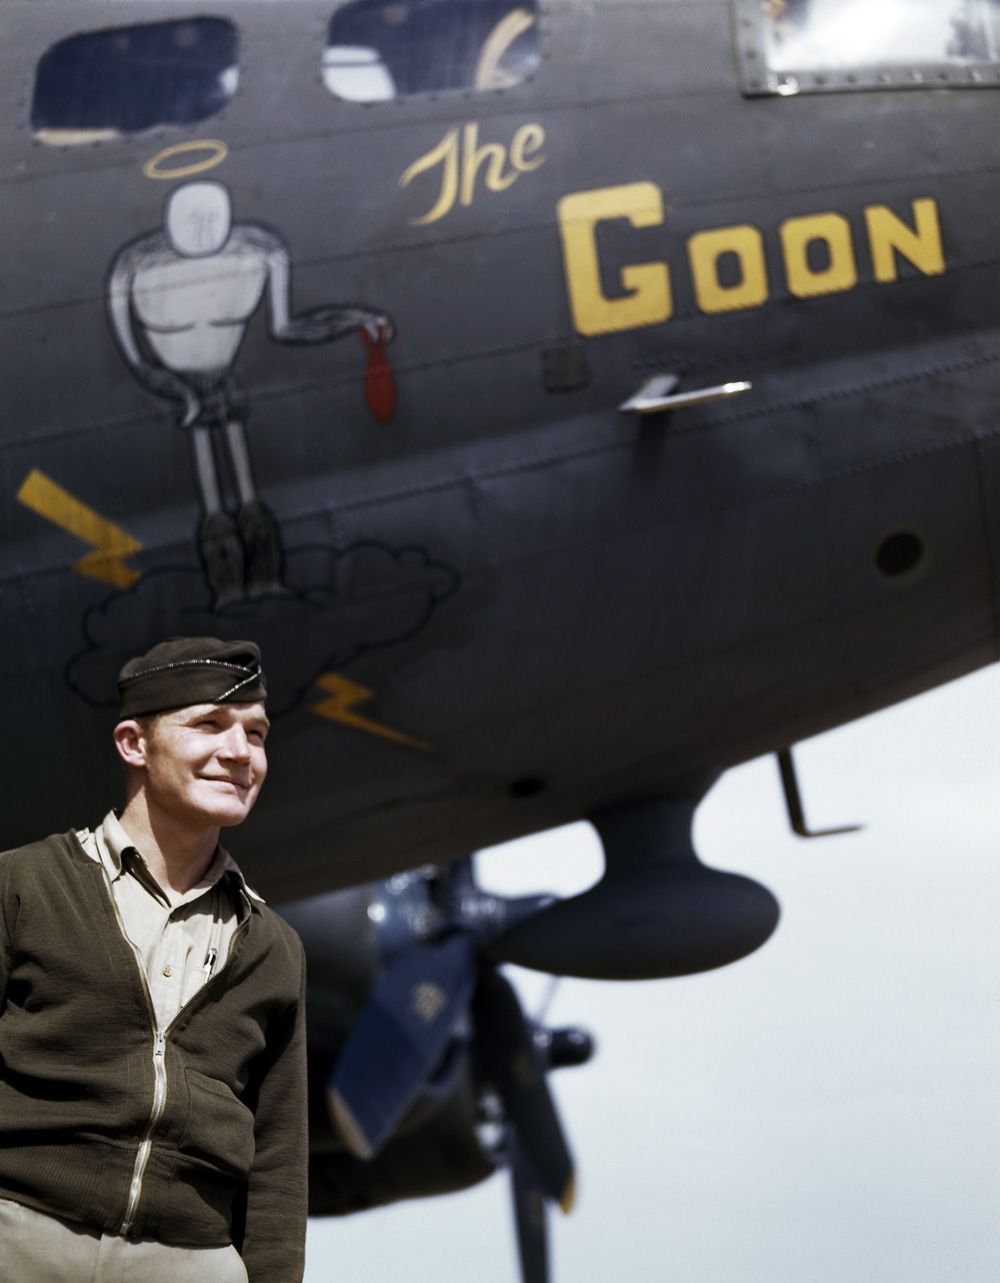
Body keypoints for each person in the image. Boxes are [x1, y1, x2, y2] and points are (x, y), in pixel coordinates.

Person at [0, 636, 307, 1282]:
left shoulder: (275, 948)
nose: (240, 753)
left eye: (255, 734)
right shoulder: (21, 884)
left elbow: (279, 1163)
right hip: (21, 1237)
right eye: (209, 725)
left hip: (190, 1262)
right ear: (134, 744)